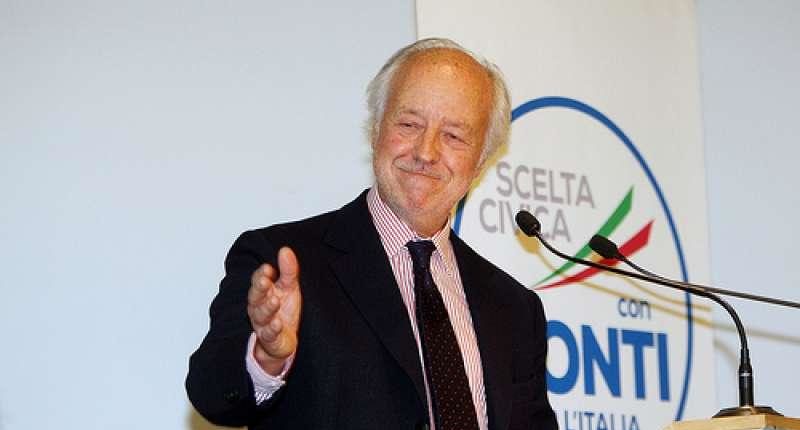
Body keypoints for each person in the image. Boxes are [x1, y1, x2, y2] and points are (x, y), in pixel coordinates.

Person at [186, 38, 557, 430]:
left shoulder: (515, 310)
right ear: (376, 129)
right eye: (409, 125)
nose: (426, 152)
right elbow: (213, 394)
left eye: (453, 136)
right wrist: (266, 358)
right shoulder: (281, 261)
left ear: (481, 160)